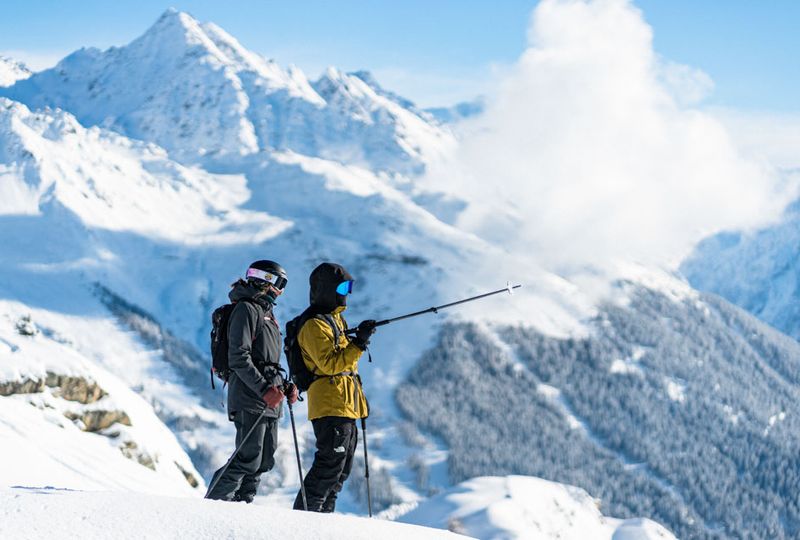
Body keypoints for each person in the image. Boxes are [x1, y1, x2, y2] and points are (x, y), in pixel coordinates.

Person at [205, 259, 298, 503]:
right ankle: (212, 509)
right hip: (250, 396)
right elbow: (238, 357)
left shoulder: (267, 314)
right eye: (280, 283)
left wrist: (284, 386)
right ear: (268, 281)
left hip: (268, 398)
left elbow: (266, 361)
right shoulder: (246, 309)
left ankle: (241, 507)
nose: (281, 289)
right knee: (248, 456)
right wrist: (265, 389)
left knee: (264, 460)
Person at [292, 262, 376, 513]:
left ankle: (323, 521)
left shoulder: (335, 320)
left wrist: (356, 340)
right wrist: (358, 344)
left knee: (341, 469)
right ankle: (303, 523)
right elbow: (329, 364)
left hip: (346, 403)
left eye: (349, 286)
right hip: (330, 403)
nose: (346, 292)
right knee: (329, 464)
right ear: (327, 289)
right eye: (342, 286)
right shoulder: (313, 324)